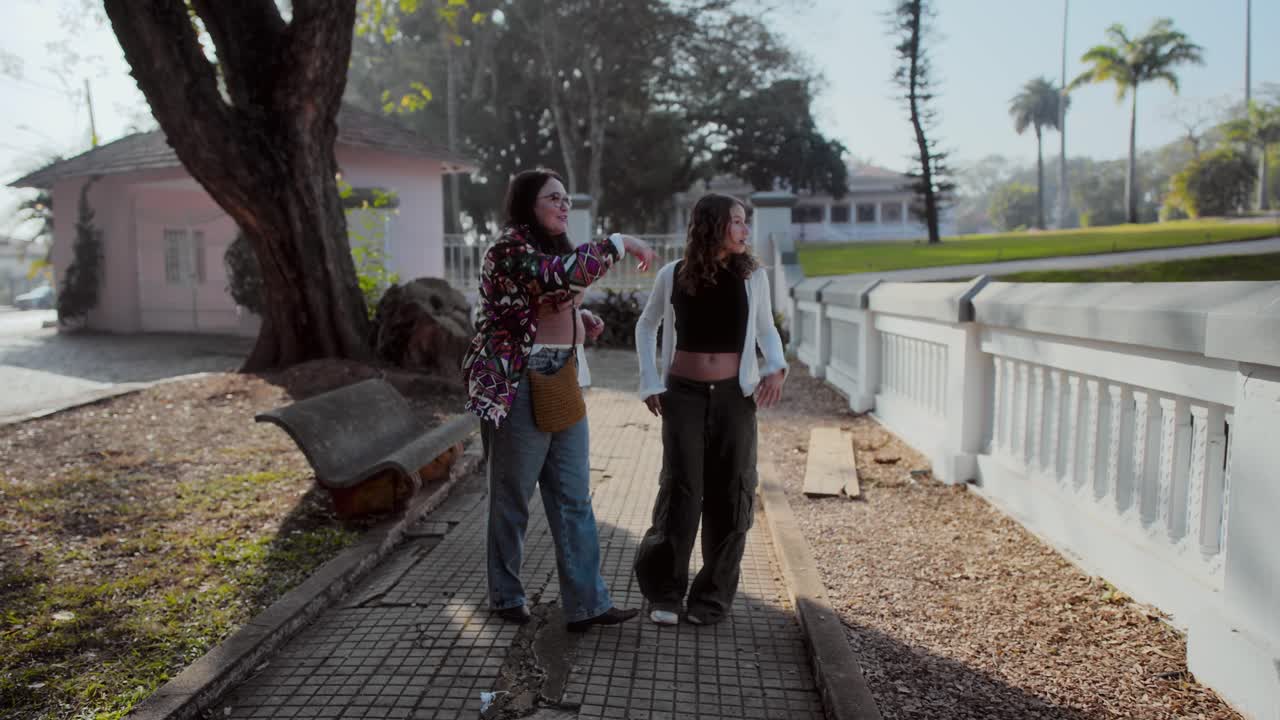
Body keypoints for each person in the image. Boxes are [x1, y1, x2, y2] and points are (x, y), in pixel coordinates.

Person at [462, 169, 657, 633]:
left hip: (562, 375)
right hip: (518, 382)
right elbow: (554, 278)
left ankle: (588, 604)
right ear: (528, 203)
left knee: (573, 497)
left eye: (567, 198)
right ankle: (506, 596)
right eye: (554, 197)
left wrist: (578, 319)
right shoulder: (508, 249)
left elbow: (548, 298)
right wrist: (620, 242)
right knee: (512, 496)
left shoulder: (551, 249)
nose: (564, 205)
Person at [633, 193, 787, 626]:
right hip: (682, 395)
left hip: (735, 398)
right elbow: (647, 325)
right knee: (681, 490)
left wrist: (776, 367)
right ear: (711, 225)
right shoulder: (673, 274)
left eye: (745, 221)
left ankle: (712, 598)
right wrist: (650, 381)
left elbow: (766, 329)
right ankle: (665, 593)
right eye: (736, 221)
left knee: (732, 493)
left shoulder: (752, 277)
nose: (744, 229)